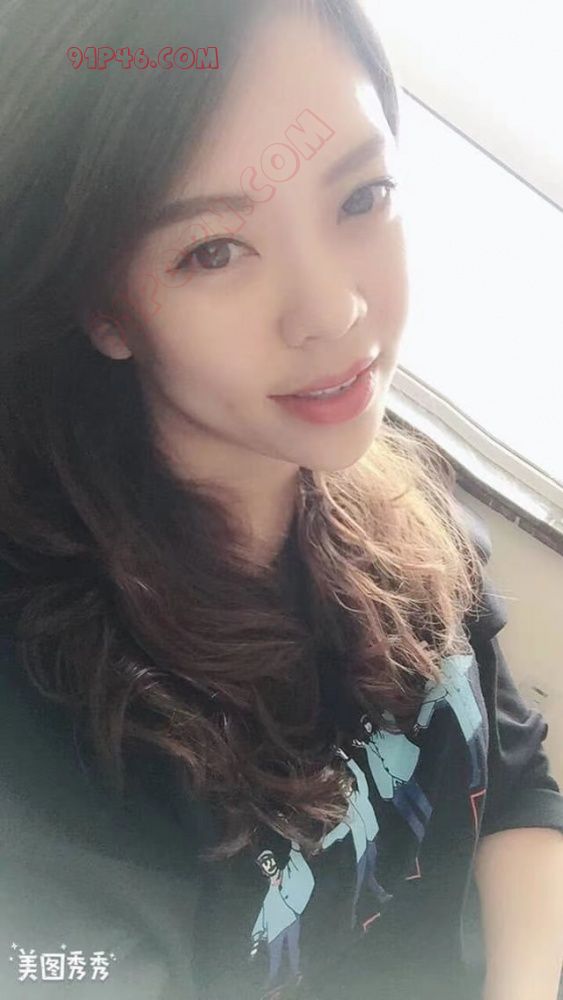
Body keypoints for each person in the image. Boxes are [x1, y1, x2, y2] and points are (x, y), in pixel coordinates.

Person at [0, 2, 562, 999]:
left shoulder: (394, 497)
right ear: (103, 307)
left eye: (361, 196)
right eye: (213, 250)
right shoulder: (63, 745)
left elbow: (512, 781)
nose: (333, 311)